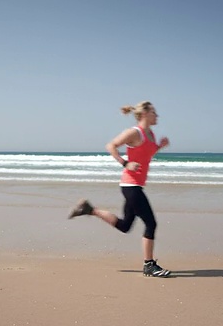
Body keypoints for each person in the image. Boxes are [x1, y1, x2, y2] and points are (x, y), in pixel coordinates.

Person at [68, 101, 171, 277]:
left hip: (136, 185)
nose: (157, 116)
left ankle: (89, 209)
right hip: (130, 185)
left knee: (125, 226)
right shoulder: (134, 132)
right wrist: (125, 163)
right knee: (151, 223)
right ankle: (149, 264)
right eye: (154, 112)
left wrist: (159, 147)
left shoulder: (151, 135)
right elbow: (111, 145)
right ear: (145, 113)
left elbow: (145, 155)